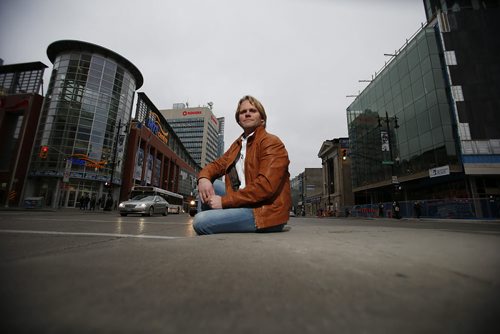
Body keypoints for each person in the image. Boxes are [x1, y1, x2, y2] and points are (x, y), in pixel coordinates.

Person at [193, 95, 291, 235]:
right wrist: (203, 178)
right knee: (210, 185)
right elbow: (216, 165)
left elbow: (265, 187)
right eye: (242, 112)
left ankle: (212, 225)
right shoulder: (238, 145)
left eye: (253, 110)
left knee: (200, 221)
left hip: (264, 211)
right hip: (241, 200)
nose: (247, 113)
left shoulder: (271, 142)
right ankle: (215, 226)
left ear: (262, 118)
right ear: (239, 119)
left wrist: (224, 202)